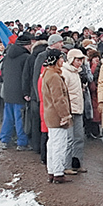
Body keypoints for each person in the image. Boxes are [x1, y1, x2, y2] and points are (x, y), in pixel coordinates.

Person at [41, 49, 73, 183]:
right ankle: (58, 173)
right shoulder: (54, 77)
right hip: (57, 115)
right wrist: (65, 115)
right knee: (59, 144)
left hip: (50, 114)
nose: (63, 61)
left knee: (52, 143)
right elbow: (59, 99)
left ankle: (52, 171)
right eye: (60, 58)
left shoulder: (47, 74)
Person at [0, 33, 33, 150]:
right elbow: (26, 77)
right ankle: (22, 143)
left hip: (8, 91)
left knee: (8, 117)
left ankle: (5, 139)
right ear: (27, 45)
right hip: (19, 92)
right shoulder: (26, 57)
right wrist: (26, 92)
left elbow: (3, 72)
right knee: (20, 118)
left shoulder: (8, 55)